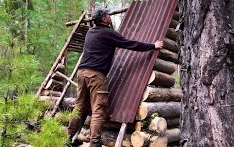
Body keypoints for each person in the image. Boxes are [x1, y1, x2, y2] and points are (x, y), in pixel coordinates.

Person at [66, 8, 163, 147]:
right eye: (107, 14)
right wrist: (152, 45)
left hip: (82, 73)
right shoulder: (107, 33)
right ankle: (95, 142)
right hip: (96, 75)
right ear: (104, 19)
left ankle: (69, 139)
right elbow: (130, 44)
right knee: (98, 108)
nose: (109, 16)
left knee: (79, 107)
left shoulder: (90, 32)